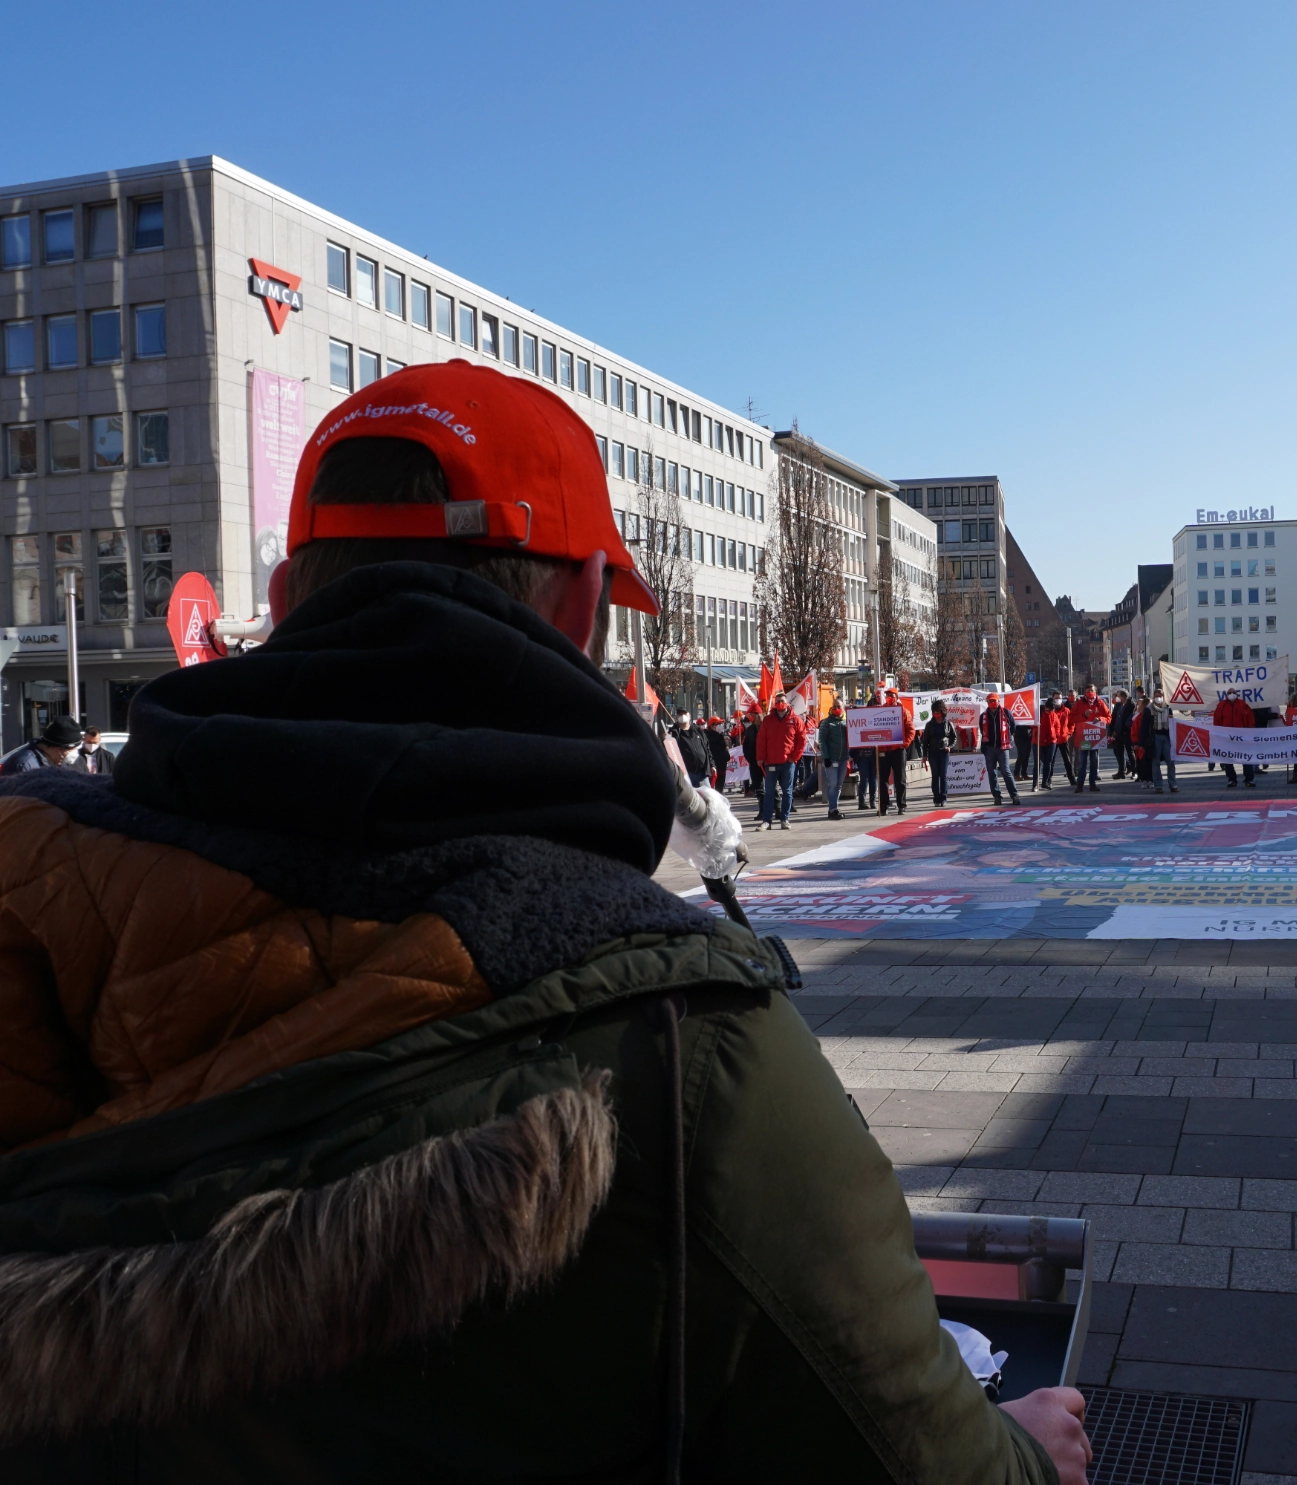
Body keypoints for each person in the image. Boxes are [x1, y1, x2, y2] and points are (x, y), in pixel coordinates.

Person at [0, 361, 1087, 1483]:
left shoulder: (23, 889)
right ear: (583, 610)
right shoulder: (686, 1047)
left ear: (281, 605)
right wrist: (1029, 1459)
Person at [753, 694, 803, 831]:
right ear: (774, 704)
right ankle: (766, 821)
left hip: (788, 762)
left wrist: (795, 756)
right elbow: (761, 740)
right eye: (778, 701)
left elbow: (801, 740)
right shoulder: (768, 721)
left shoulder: (795, 720)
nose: (780, 703)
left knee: (787, 792)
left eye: (782, 701)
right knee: (769, 792)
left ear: (787, 703)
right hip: (771, 763)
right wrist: (760, 758)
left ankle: (784, 819)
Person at [876, 685, 916, 816]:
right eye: (887, 696)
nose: (889, 698)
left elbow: (911, 730)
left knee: (900, 779)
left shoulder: (903, 712)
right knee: (883, 780)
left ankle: (901, 805)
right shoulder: (880, 711)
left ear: (896, 697)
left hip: (898, 750)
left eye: (891, 696)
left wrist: (904, 744)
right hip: (883, 750)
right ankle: (883, 805)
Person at [0, 714, 82, 774]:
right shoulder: (24, 764)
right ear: (58, 749)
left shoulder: (60, 762)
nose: (75, 753)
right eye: (72, 749)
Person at [980, 693, 1019, 805]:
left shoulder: (1006, 713)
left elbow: (1013, 727)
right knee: (992, 773)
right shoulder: (983, 716)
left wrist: (1006, 738)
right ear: (987, 702)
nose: (992, 703)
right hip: (990, 748)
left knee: (1006, 771)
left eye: (994, 700)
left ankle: (1014, 795)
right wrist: (984, 745)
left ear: (998, 701)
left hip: (1003, 747)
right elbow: (982, 731)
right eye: (990, 701)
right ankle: (997, 796)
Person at [1213, 690, 1257, 787]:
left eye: (1233, 692)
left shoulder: (1243, 705)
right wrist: (1218, 734)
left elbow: (1250, 719)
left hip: (1242, 737)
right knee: (1228, 759)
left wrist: (1250, 733)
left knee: (1246, 758)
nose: (1231, 694)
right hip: (1226, 738)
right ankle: (1231, 779)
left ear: (1237, 694)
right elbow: (1216, 721)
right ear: (1226, 695)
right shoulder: (1221, 706)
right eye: (1230, 692)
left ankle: (1249, 779)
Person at [1070, 684, 1109, 792]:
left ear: (1095, 692)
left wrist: (1100, 718)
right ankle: (1080, 784)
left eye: (1091, 691)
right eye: (1087, 691)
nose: (1089, 692)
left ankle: (1092, 783)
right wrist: (1084, 715)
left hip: (1096, 738)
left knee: (1094, 761)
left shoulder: (1101, 704)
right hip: (1083, 738)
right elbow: (1071, 718)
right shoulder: (1079, 704)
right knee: (1082, 762)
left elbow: (1109, 717)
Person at [817, 700, 850, 820]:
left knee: (839, 785)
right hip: (831, 759)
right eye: (834, 707)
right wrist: (826, 757)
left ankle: (834, 808)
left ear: (843, 707)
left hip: (843, 759)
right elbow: (822, 741)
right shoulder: (827, 722)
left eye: (839, 706)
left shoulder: (848, 721)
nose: (836, 708)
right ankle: (832, 809)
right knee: (832, 784)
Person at [923, 699, 957, 808]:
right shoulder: (929, 725)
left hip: (944, 753)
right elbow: (925, 742)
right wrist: (924, 755)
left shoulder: (948, 724)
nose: (936, 714)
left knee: (943, 776)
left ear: (942, 712)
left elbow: (954, 738)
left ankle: (943, 797)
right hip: (933, 752)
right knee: (935, 776)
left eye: (938, 711)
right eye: (934, 712)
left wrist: (949, 747)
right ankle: (936, 798)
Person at [673, 710, 711, 788]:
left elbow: (707, 748)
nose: (683, 716)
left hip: (702, 773)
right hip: (686, 774)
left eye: (685, 714)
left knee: (707, 798)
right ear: (677, 717)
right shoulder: (674, 733)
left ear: (689, 716)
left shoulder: (697, 731)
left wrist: (712, 765)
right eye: (680, 714)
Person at [1033, 694, 1062, 791]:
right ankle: (1035, 784)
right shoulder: (1038, 713)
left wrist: (1056, 735)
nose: (1049, 712)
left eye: (1051, 710)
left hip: (1051, 741)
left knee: (1048, 763)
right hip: (1038, 741)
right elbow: (1031, 725)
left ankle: (1045, 782)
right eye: (1048, 710)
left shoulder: (1054, 715)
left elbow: (1057, 726)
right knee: (1038, 763)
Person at [1148, 695, 1176, 793]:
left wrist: (1171, 718)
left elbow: (1173, 723)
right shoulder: (1149, 708)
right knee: (1155, 762)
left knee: (1171, 761)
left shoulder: (1168, 708)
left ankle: (1173, 784)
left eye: (1160, 696)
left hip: (1167, 737)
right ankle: (1158, 786)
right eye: (1156, 696)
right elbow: (1145, 724)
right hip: (1155, 736)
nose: (1158, 698)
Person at [1108, 690, 1134, 779]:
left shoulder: (1131, 705)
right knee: (1119, 753)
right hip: (1117, 733)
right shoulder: (1118, 705)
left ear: (1123, 697)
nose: (1116, 697)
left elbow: (1130, 720)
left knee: (1130, 752)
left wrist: (1124, 729)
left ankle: (1135, 771)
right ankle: (1121, 771)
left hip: (1127, 733)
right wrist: (1112, 731)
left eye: (1118, 696)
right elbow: (1113, 717)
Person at [702, 712, 730, 792]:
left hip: (722, 765)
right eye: (718, 724)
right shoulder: (707, 736)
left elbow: (724, 748)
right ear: (712, 726)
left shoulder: (720, 735)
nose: (721, 726)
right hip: (714, 765)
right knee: (711, 788)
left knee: (720, 788)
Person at [740, 705, 763, 797]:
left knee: (770, 786)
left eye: (751, 715)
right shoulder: (750, 729)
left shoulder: (766, 727)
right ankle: (762, 808)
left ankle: (775, 806)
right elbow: (745, 745)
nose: (750, 717)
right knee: (758, 786)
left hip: (766, 762)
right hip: (754, 761)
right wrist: (749, 758)